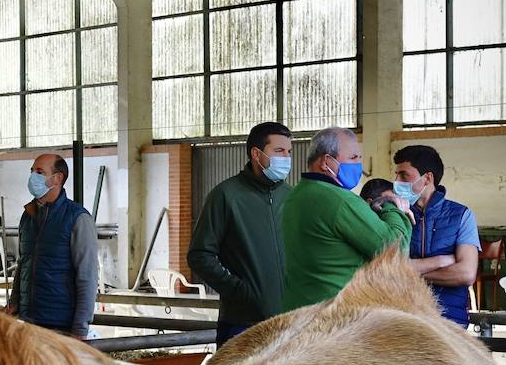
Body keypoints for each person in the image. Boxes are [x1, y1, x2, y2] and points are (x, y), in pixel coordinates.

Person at [280, 127, 413, 312]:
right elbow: (395, 250)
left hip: (299, 309)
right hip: (336, 314)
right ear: (327, 161)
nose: (359, 164)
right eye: (353, 158)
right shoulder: (339, 200)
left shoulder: (295, 195)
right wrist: (391, 207)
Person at [187, 121, 292, 346]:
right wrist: (239, 290)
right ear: (256, 153)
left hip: (290, 322)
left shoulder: (291, 196)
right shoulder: (226, 196)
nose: (286, 158)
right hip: (242, 323)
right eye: (279, 151)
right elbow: (199, 255)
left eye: (289, 152)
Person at [6, 153, 98, 339]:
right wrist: (15, 302)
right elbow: (23, 263)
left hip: (60, 324)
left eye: (39, 172)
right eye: (32, 171)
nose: (33, 177)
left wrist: (80, 328)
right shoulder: (28, 216)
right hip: (29, 322)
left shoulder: (78, 219)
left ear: (57, 178)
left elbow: (87, 276)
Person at [392, 145, 480, 326]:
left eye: (404, 175)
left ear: (427, 178)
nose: (396, 181)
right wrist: (440, 261)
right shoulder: (396, 215)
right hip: (405, 318)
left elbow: (466, 273)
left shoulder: (462, 215)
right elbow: (388, 269)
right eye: (396, 175)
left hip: (449, 321)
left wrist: (409, 271)